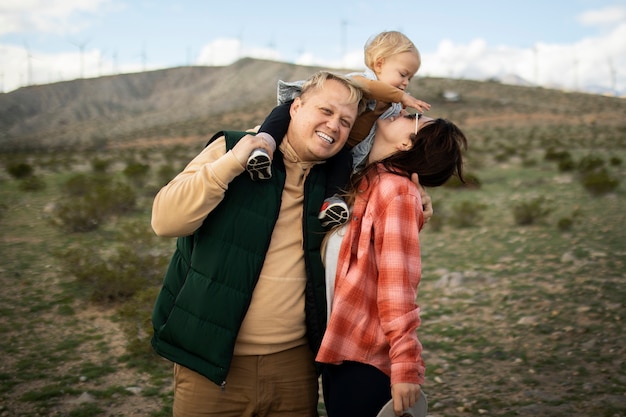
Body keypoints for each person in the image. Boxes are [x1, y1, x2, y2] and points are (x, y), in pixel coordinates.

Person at [150, 71, 366, 417]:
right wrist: (232, 163)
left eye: (345, 121)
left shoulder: (338, 186)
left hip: (294, 368)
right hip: (212, 363)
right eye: (325, 111)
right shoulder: (234, 149)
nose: (334, 125)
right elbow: (165, 221)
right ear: (294, 107)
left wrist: (418, 201)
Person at [317, 111, 468, 417]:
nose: (399, 111)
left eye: (411, 116)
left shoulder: (396, 192)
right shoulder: (365, 179)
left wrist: (406, 366)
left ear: (406, 142)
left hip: (366, 360)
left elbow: (397, 289)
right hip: (341, 351)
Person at [245, 31, 431, 228]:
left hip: (337, 146)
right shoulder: (361, 80)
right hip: (306, 122)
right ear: (379, 64)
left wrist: (417, 190)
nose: (406, 83)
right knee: (283, 112)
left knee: (343, 162)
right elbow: (367, 87)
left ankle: (332, 202)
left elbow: (398, 144)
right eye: (403, 74)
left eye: (410, 78)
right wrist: (400, 96)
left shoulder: (393, 109)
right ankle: (263, 147)